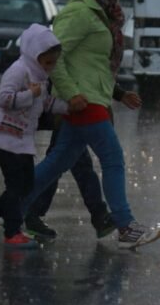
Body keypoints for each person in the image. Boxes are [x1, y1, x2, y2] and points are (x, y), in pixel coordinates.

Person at [22, 0, 160, 250]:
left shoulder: (99, 13)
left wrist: (118, 93)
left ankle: (5, 211)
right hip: (83, 102)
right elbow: (51, 58)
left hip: (91, 98)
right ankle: (124, 226)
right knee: (112, 159)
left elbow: (94, 65)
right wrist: (71, 94)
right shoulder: (80, 12)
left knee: (54, 165)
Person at [0, 23, 69, 250]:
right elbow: (3, 99)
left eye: (53, 63)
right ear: (34, 55)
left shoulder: (40, 76)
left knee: (23, 186)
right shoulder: (19, 71)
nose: (49, 68)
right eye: (46, 63)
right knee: (20, 186)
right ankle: (7, 227)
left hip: (22, 140)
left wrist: (67, 107)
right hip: (6, 139)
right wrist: (30, 94)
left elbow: (45, 103)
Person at [24, 82, 140, 241]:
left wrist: (118, 93)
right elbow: (84, 73)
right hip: (75, 109)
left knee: (67, 165)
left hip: (78, 108)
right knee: (61, 166)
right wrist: (118, 93)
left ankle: (18, 209)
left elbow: (94, 73)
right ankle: (20, 210)